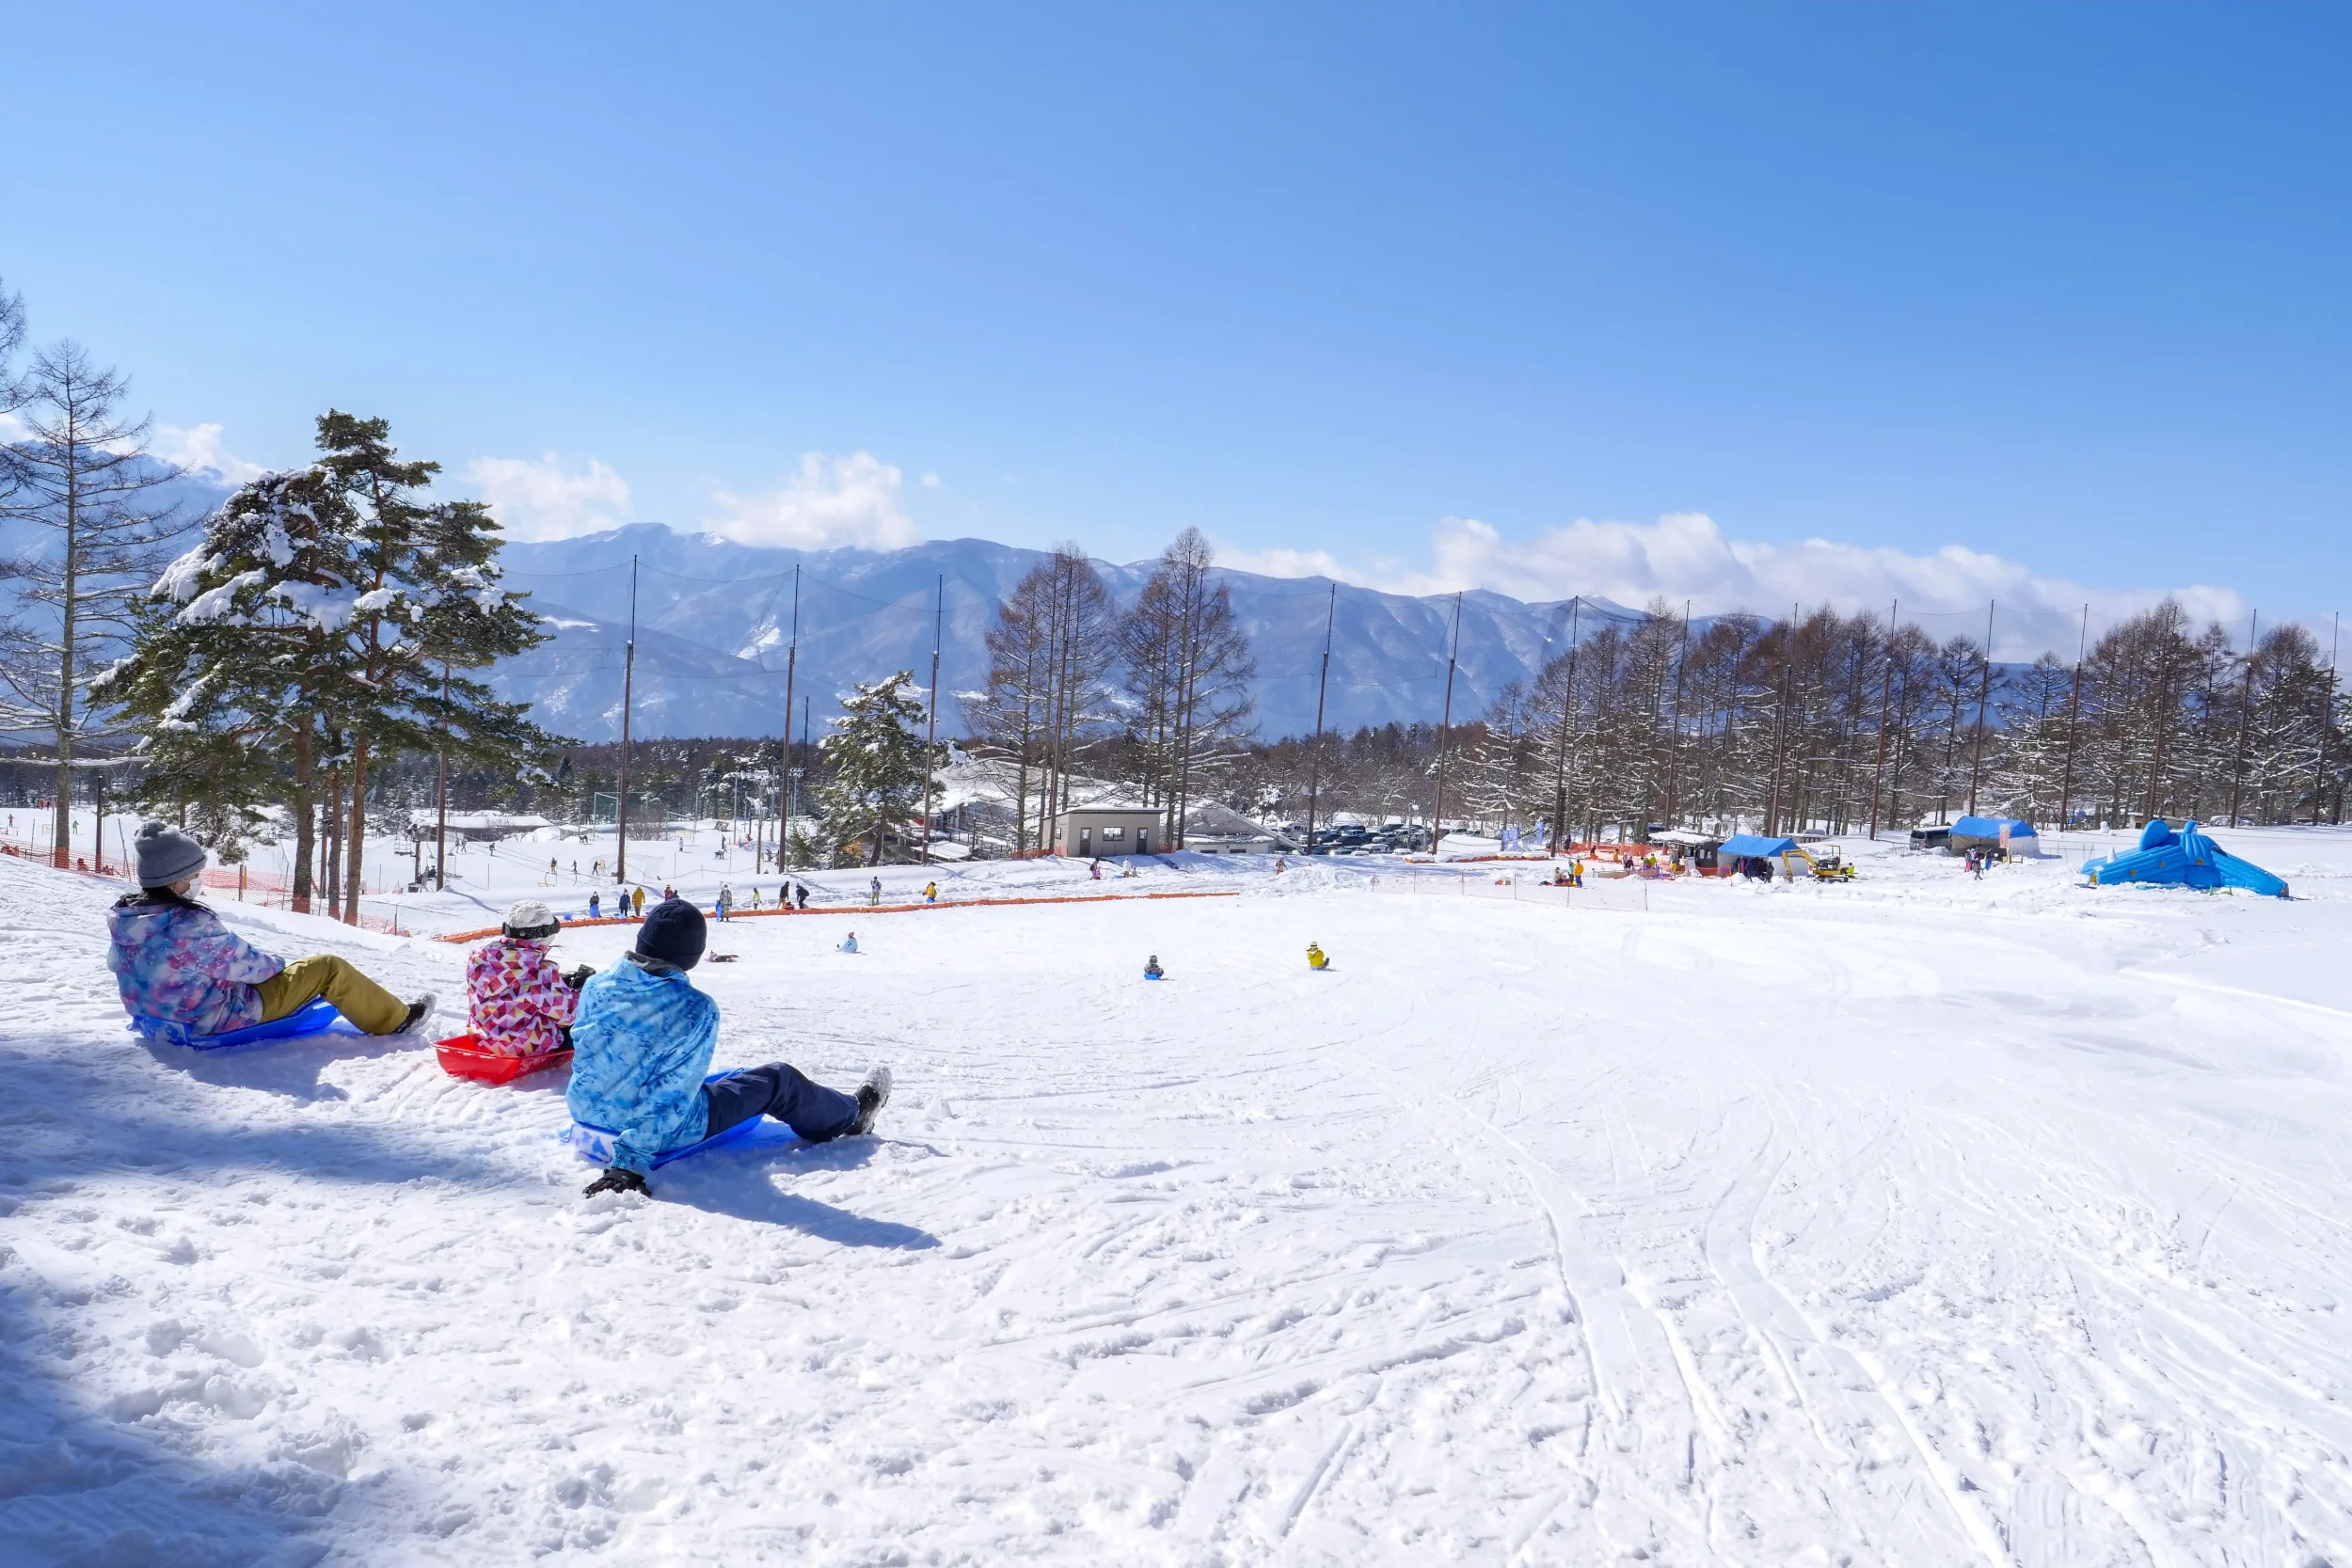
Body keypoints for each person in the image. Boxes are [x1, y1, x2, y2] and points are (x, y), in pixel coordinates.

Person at [570, 899, 889, 1196]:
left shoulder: (597, 985)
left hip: (586, 1111)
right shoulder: (694, 1007)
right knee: (778, 1080)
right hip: (650, 1133)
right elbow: (671, 1096)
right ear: (693, 955)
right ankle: (851, 1116)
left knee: (728, 1079)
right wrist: (628, 1161)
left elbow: (587, 1057)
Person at [108, 821, 432, 1039]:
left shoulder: (128, 918)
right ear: (173, 879)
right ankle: (395, 1021)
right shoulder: (190, 924)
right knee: (329, 967)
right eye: (193, 875)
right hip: (208, 1019)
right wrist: (281, 967)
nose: (198, 881)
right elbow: (254, 968)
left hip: (155, 1019)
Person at [467, 900, 591, 1057]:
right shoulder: (538, 972)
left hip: (483, 1040)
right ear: (544, 936)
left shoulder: (480, 961)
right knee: (586, 1020)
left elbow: (509, 990)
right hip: (525, 1046)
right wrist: (584, 991)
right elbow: (567, 1015)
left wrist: (558, 984)